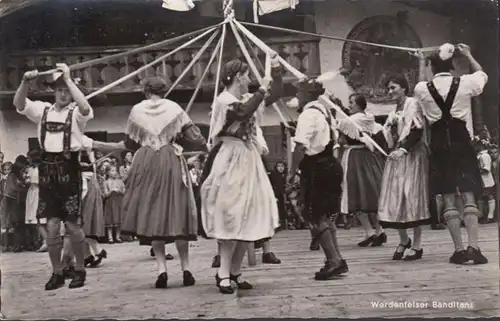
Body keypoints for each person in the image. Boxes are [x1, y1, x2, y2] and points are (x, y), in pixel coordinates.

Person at [90, 76, 207, 288]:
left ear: (146, 91)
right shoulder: (174, 108)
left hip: (145, 161)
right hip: (170, 159)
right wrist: (181, 138)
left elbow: (129, 143)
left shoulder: (136, 110)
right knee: (177, 212)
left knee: (152, 213)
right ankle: (186, 268)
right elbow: (195, 138)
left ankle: (161, 270)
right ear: (164, 91)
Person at [200, 53, 282, 294]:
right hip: (230, 158)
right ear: (238, 76)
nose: (249, 80)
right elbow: (242, 112)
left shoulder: (248, 97)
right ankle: (223, 273)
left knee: (247, 215)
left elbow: (275, 94)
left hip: (248, 159)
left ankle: (235, 272)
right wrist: (261, 91)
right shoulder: (224, 100)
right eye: (246, 75)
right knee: (232, 215)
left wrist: (275, 69)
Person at [13, 63, 93, 290]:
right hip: (47, 171)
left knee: (73, 225)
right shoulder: (43, 110)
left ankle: (79, 269)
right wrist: (24, 82)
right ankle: (57, 272)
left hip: (69, 170)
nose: (63, 94)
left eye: (66, 90)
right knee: (51, 225)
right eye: (59, 90)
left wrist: (68, 78)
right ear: (54, 92)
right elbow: (19, 104)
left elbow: (86, 107)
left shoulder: (76, 113)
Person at [414, 43, 488, 265]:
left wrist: (420, 61)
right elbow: (481, 74)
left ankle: (457, 250)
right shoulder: (465, 82)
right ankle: (473, 247)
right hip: (460, 139)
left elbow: (419, 87)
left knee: (447, 197)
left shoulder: (422, 87)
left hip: (439, 143)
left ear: (431, 68)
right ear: (453, 66)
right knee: (467, 194)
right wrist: (468, 54)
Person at [286, 74, 347, 280]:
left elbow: (300, 146)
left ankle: (333, 260)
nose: (296, 94)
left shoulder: (307, 114)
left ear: (306, 94)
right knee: (326, 214)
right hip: (330, 164)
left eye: (299, 91)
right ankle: (337, 258)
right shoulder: (325, 112)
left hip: (317, 167)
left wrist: (291, 172)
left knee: (315, 214)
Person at [377, 73, 431, 261]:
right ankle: (403, 239)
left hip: (412, 156)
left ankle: (417, 244)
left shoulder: (412, 104)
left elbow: (417, 130)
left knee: (411, 196)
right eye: (389, 88)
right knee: (395, 197)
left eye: (393, 87)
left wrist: (404, 149)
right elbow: (391, 133)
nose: (390, 91)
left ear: (404, 88)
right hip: (397, 156)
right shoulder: (395, 110)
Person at [337, 93, 387, 247]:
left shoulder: (348, 121)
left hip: (355, 158)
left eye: (351, 102)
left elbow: (341, 137)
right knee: (371, 192)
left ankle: (370, 232)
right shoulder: (371, 120)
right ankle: (379, 231)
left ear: (358, 105)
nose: (349, 105)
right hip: (370, 158)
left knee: (356, 193)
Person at [476, 140, 496, 223]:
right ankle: (480, 215)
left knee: (489, 196)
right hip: (481, 180)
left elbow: (486, 168)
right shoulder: (479, 155)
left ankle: (490, 216)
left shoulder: (485, 156)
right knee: (480, 196)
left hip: (486, 179)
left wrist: (477, 172)